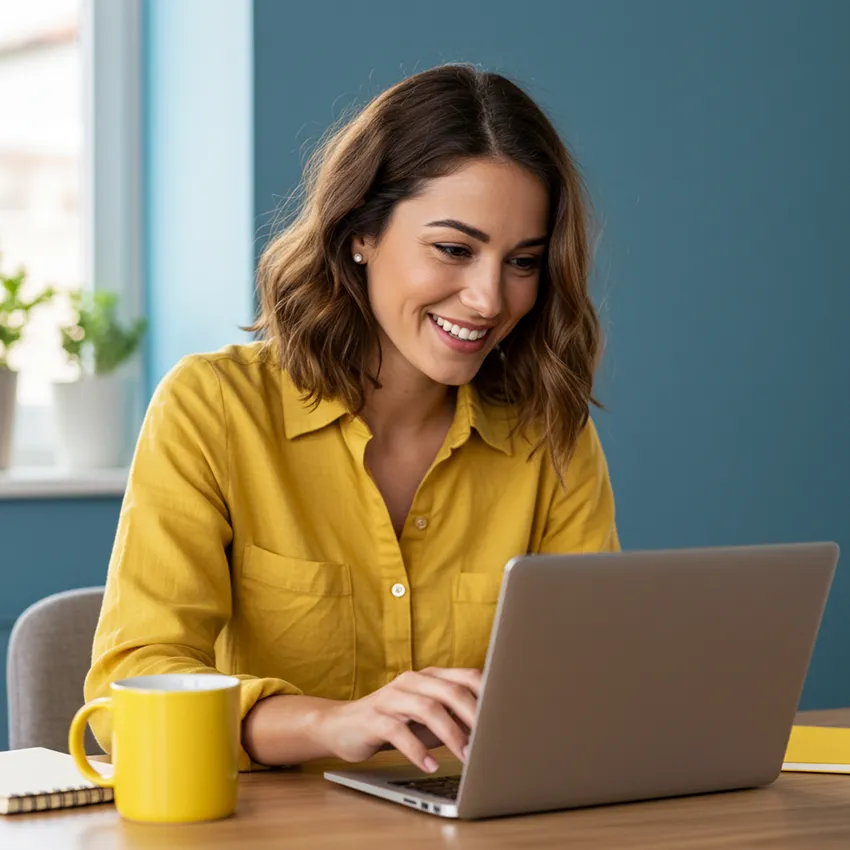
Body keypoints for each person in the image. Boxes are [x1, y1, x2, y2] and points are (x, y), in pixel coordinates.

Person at [84, 63, 619, 774]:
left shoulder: (549, 435)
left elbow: (596, 678)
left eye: (522, 261)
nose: (490, 298)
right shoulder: (212, 410)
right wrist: (331, 725)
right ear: (360, 230)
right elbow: (130, 697)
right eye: (454, 250)